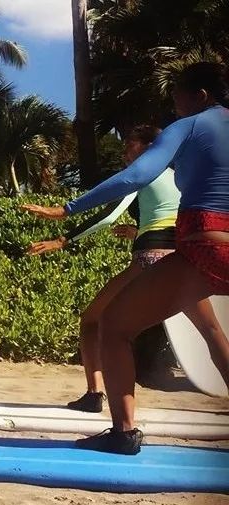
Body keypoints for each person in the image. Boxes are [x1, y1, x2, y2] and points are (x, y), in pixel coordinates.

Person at [23, 62, 229, 454]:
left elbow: (135, 177)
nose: (174, 104)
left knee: (113, 326)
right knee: (213, 332)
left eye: (178, 96)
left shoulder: (187, 126)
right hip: (206, 249)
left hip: (203, 247)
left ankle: (122, 432)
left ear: (201, 96)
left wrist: (67, 210)